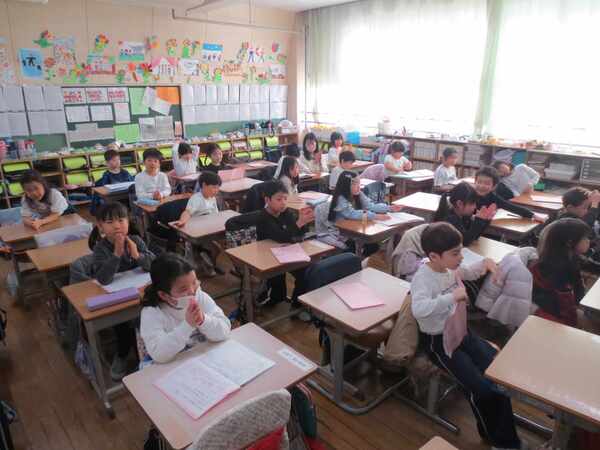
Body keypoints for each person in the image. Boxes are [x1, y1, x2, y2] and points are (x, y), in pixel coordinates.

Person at [411, 222, 523, 450]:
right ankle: (500, 441)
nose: (460, 257)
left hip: (461, 332)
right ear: (434, 256)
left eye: (460, 251)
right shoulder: (423, 278)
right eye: (455, 253)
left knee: (498, 377)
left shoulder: (447, 267)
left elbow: (467, 271)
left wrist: (485, 264)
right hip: (440, 343)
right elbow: (419, 309)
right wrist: (452, 297)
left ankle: (503, 429)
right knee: (481, 389)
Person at [89, 202, 155, 380]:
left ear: (128, 221)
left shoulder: (136, 240)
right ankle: (122, 353)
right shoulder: (100, 248)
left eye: (121, 220)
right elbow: (103, 279)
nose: (117, 226)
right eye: (110, 222)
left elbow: (154, 265)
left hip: (140, 293)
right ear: (101, 226)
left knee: (148, 317)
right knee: (122, 325)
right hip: (117, 298)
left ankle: (148, 349)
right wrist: (117, 254)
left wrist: (137, 255)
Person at [140, 252, 230, 364]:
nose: (192, 291)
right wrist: (188, 325)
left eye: (194, 282)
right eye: (183, 289)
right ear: (163, 295)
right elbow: (159, 354)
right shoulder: (152, 313)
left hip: (202, 359)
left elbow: (225, 330)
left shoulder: (199, 296)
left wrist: (203, 320)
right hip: (172, 366)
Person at [256, 180, 314, 309]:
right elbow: (281, 237)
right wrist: (299, 223)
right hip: (269, 257)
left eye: (285, 198)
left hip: (287, 253)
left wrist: (304, 222)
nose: (283, 202)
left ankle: (297, 305)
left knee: (308, 271)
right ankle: (275, 298)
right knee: (278, 290)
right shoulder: (263, 217)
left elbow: (296, 232)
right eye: (279, 199)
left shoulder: (285, 212)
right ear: (267, 200)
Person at [531, 218, 591, 328]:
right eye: (584, 238)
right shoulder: (558, 268)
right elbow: (562, 304)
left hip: (564, 306)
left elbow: (579, 284)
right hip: (552, 315)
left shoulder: (570, 256)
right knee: (592, 323)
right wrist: (579, 313)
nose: (588, 241)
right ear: (569, 242)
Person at [474, 166, 545, 222]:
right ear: (475, 182)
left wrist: (533, 215)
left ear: (494, 186)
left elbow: (512, 207)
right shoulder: (470, 194)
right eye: (479, 182)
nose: (482, 186)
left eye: (487, 183)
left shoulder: (493, 197)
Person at [91, 149, 134, 214]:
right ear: (107, 163)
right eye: (114, 160)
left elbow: (132, 183)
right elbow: (105, 189)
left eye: (118, 159)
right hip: (114, 199)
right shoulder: (107, 174)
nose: (117, 162)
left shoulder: (125, 172)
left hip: (126, 195)